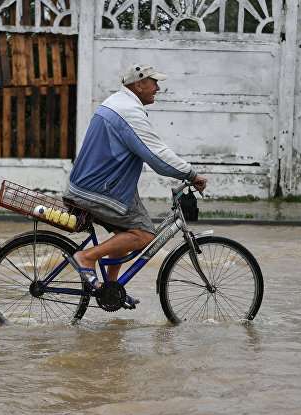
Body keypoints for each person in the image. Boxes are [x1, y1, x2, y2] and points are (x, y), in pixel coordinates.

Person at [63, 63, 207, 306]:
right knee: (143, 234)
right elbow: (156, 153)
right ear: (139, 85)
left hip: (97, 185)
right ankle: (86, 258)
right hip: (101, 190)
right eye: (154, 83)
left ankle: (112, 288)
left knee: (126, 231)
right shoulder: (128, 111)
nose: (158, 88)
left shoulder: (117, 103)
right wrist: (191, 174)